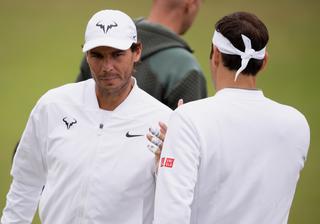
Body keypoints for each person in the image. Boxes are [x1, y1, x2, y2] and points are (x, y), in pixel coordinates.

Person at [1, 9, 171, 224]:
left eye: (117, 54)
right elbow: (25, 182)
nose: (107, 67)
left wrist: (167, 166)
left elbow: (175, 202)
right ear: (86, 54)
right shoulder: (53, 105)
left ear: (136, 52)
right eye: (97, 55)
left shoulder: (163, 120)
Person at [152, 11, 310, 224]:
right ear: (264, 62)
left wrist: (175, 154)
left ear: (216, 54)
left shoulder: (189, 118)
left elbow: (171, 215)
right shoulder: (297, 124)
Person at [76, 0, 207, 109]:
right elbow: (191, 136)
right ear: (191, 3)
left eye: (117, 55)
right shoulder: (184, 67)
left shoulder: (98, 43)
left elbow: (74, 114)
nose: (107, 66)